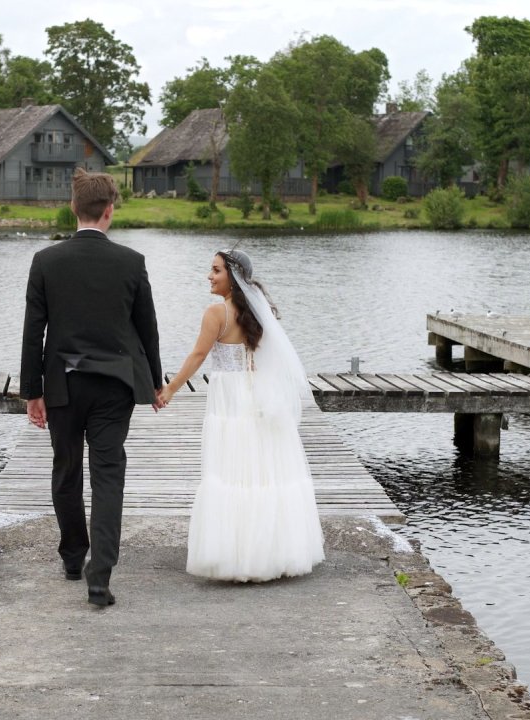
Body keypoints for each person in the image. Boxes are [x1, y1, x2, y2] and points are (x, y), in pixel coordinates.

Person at [20, 168, 163, 608]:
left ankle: (71, 556)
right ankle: (98, 579)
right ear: (109, 211)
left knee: (65, 470)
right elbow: (147, 330)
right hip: (115, 386)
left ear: (73, 208)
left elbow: (33, 332)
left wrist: (33, 392)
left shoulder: (46, 261)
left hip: (62, 384)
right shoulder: (131, 262)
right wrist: (155, 382)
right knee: (107, 477)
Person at [158, 250, 324, 582]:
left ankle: (235, 557)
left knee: (232, 470)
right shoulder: (257, 314)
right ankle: (269, 554)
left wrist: (171, 388)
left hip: (229, 399)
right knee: (259, 470)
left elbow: (198, 355)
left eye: (216, 270)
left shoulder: (215, 313)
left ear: (232, 277)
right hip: (255, 392)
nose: (209, 275)